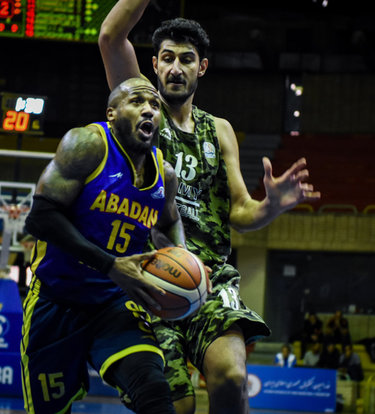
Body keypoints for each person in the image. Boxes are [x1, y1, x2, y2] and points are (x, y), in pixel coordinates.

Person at [99, 3, 320, 413]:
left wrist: (271, 206)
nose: (175, 68)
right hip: (147, 278)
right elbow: (111, 37)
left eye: (186, 59)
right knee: (177, 406)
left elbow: (240, 211)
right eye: (167, 58)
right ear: (154, 65)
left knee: (232, 379)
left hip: (208, 279)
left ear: (202, 67)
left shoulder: (219, 130)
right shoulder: (141, 110)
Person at [21, 77, 186, 414]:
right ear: (111, 113)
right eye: (137, 101)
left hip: (114, 302)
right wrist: (111, 265)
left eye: (155, 105)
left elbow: (168, 222)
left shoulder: (165, 174)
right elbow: (40, 218)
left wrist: (182, 255)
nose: (149, 109)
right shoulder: (86, 145)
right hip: (56, 299)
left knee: (153, 388)